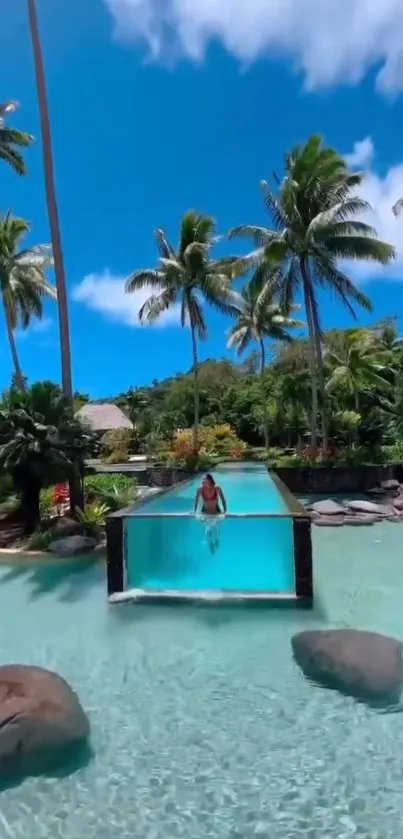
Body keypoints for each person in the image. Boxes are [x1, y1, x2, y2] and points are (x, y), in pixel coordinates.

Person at [194, 474, 227, 554]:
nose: (203, 482)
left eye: (205, 480)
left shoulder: (217, 489)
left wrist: (225, 511)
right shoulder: (200, 489)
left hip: (216, 513)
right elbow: (196, 500)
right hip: (205, 513)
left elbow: (223, 499)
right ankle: (210, 544)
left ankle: (216, 540)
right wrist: (195, 512)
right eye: (202, 480)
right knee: (208, 528)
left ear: (210, 480)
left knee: (215, 528)